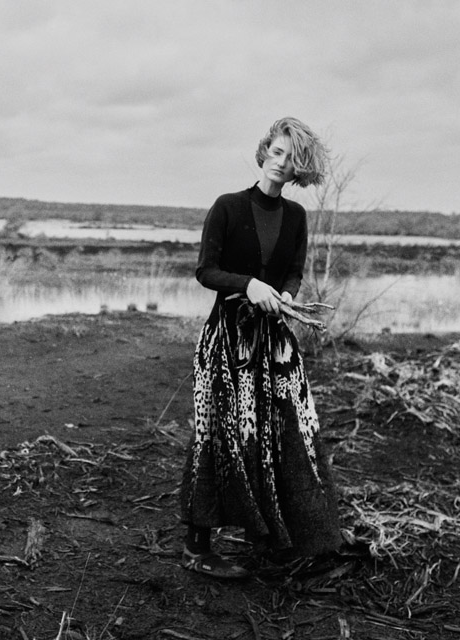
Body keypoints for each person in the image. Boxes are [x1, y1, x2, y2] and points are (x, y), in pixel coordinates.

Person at [179, 116, 341, 578]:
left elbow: (293, 272)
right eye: (277, 152)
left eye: (291, 159)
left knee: (282, 432)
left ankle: (273, 537)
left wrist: (286, 296)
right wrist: (248, 285)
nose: (281, 163)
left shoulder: (296, 217)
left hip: (275, 342)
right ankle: (196, 548)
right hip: (227, 339)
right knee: (218, 432)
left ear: (298, 170)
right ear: (265, 152)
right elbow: (206, 271)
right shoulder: (228, 207)